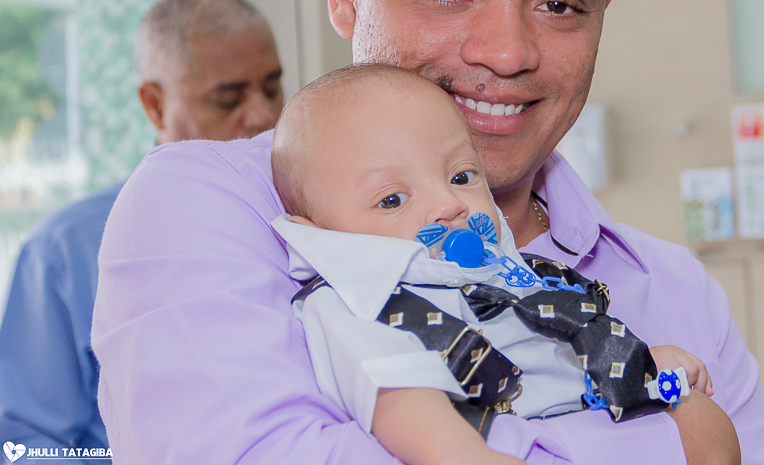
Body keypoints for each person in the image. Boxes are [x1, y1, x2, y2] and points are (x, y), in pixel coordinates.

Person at [92, 0, 764, 463]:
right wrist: (679, 434)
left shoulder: (676, 290)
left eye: (558, 4)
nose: (507, 52)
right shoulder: (213, 207)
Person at [270, 64, 714, 465]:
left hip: (581, 419)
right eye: (392, 200)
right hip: (483, 440)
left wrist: (637, 364)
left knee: (706, 426)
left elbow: (552, 359)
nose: (448, 204)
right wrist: (460, 454)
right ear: (319, 237)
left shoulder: (503, 271)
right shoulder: (356, 304)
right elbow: (395, 392)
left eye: (461, 177)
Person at [0, 0, 283, 462]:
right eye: (228, 98)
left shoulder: (310, 214)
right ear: (154, 105)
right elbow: (26, 446)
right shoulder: (64, 253)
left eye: (272, 88)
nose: (263, 115)